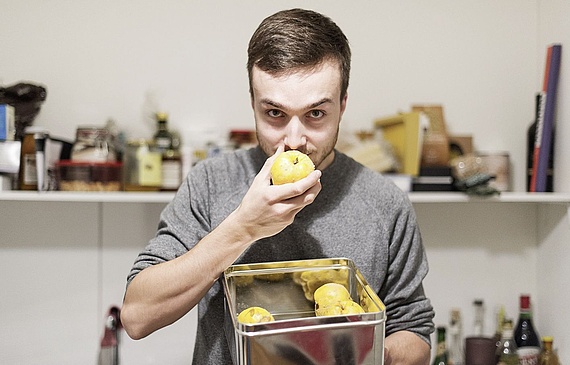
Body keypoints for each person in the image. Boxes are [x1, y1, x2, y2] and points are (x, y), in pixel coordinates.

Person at [121, 8, 434, 365]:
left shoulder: (385, 203)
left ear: (342, 106)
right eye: (275, 114)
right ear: (253, 104)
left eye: (316, 114)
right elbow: (137, 316)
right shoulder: (211, 183)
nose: (294, 140)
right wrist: (244, 227)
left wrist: (368, 352)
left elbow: (415, 331)